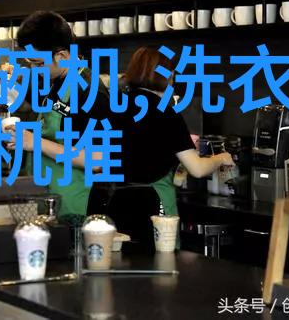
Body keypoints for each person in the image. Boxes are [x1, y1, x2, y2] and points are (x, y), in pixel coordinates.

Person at [92, 47, 235, 249]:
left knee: (122, 261)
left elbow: (97, 159)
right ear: (167, 76)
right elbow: (197, 168)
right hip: (154, 203)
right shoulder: (167, 115)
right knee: (161, 263)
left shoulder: (114, 108)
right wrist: (221, 158)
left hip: (117, 202)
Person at [11, 11, 112, 219]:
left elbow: (98, 159)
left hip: (74, 208)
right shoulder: (56, 82)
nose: (35, 69)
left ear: (63, 56)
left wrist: (35, 143)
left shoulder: (90, 92)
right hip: (46, 200)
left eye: (39, 63)